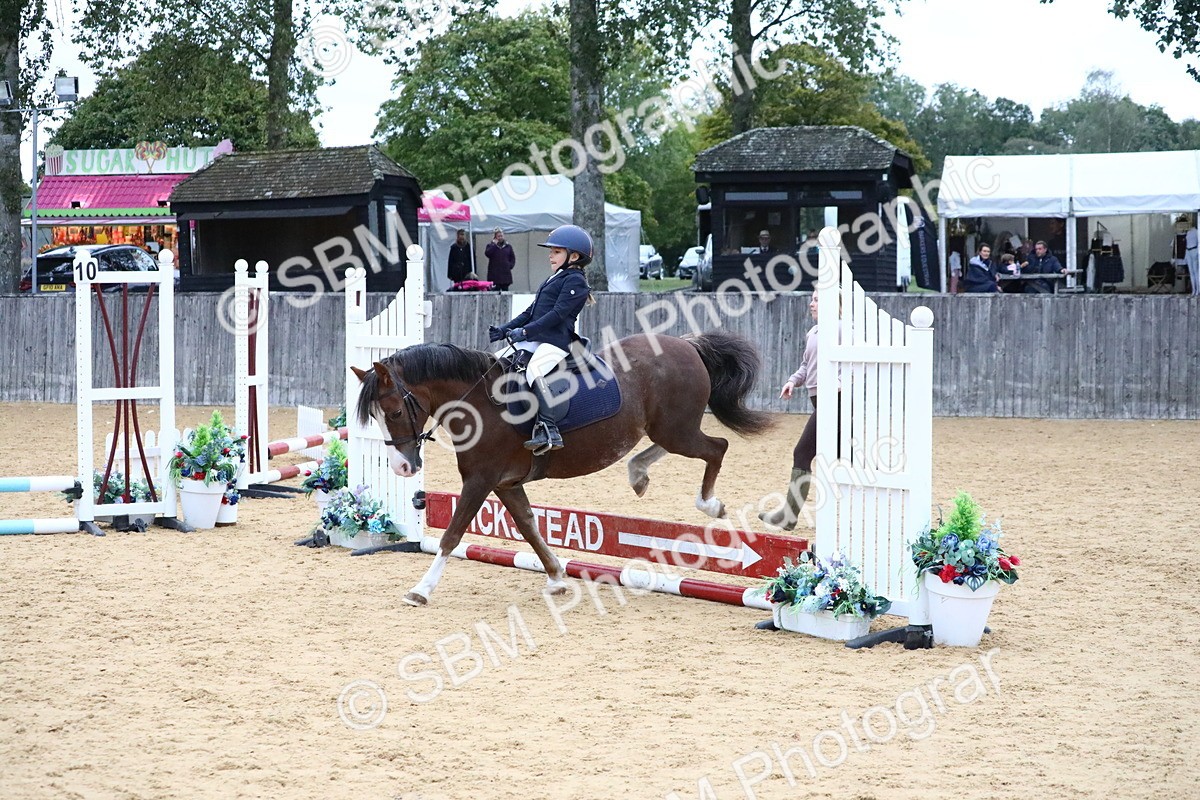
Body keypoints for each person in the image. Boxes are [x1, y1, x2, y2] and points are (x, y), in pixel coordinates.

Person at [488, 225, 593, 455]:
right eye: (551, 251)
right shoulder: (554, 278)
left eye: (556, 252)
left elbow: (556, 315)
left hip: (557, 342)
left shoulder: (576, 281)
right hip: (536, 338)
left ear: (573, 256)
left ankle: (548, 429)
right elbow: (531, 312)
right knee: (493, 363)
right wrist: (505, 330)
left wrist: (524, 333)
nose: (550, 255)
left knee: (534, 370)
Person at [758, 293, 837, 532]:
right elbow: (806, 365)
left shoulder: (844, 329)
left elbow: (855, 364)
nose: (811, 304)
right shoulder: (813, 332)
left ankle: (789, 516)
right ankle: (789, 516)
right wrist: (793, 381)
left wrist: (841, 384)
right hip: (821, 402)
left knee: (802, 453)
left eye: (817, 299)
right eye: (812, 299)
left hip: (834, 402)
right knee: (846, 456)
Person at [1186, 217, 1199, 297]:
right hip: (1188, 251)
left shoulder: (1196, 231)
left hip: (1194, 249)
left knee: (1196, 271)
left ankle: (1198, 289)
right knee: (1191, 272)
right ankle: (1193, 290)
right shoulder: (1186, 232)